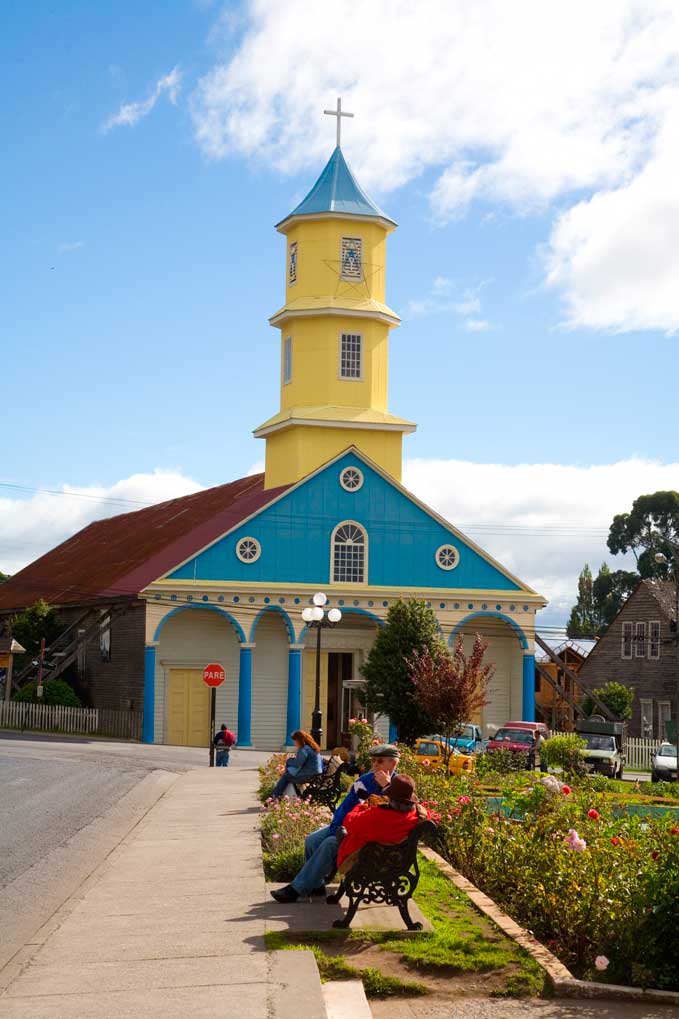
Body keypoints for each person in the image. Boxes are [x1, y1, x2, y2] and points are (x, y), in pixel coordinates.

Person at [270, 743, 400, 902]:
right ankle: (316, 885)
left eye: (379, 761)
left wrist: (386, 787)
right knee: (312, 840)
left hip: (370, 839)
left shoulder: (400, 785)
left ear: (393, 763)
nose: (374, 764)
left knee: (330, 843)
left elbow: (400, 810)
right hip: (348, 826)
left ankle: (296, 889)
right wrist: (336, 828)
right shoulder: (365, 780)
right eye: (373, 760)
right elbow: (346, 807)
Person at [270, 730, 323, 798]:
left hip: (309, 775)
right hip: (315, 774)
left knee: (286, 776)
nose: (294, 743)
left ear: (299, 740)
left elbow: (298, 763)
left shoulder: (304, 749)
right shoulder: (311, 746)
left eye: (295, 741)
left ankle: (274, 797)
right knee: (287, 775)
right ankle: (278, 796)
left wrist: (288, 761)